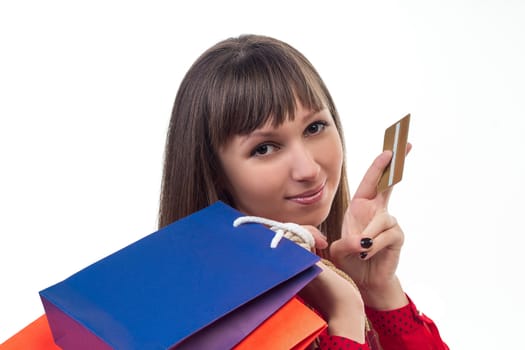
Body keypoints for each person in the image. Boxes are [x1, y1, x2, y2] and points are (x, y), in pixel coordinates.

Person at [159, 34, 448, 350]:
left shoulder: (322, 273)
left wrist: (377, 292)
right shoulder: (213, 321)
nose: (308, 169)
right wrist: (345, 316)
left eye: (314, 128)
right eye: (265, 148)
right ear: (216, 172)